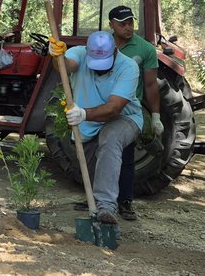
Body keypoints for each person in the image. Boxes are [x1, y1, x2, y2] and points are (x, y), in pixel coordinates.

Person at [52, 29, 142, 225]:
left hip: (125, 119)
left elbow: (114, 109)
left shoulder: (128, 67)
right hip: (88, 124)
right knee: (94, 169)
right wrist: (57, 56)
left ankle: (107, 207)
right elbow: (65, 66)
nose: (99, 69)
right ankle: (99, 200)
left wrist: (83, 113)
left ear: (115, 52)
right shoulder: (80, 53)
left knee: (110, 138)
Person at [106, 4, 163, 221]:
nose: (128, 27)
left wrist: (156, 116)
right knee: (98, 154)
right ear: (111, 24)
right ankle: (100, 198)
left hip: (127, 110)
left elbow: (150, 85)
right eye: (122, 24)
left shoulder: (145, 49)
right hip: (101, 106)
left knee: (126, 158)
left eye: (130, 23)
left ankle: (125, 202)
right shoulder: (102, 43)